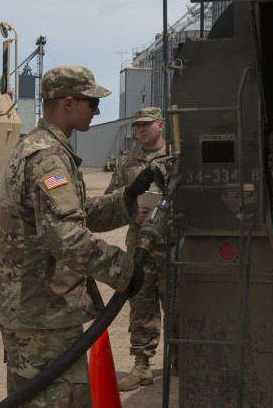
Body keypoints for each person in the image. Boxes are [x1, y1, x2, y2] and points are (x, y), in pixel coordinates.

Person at [0, 65, 154, 407]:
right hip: (41, 313)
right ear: (68, 102)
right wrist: (125, 271)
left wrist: (127, 196)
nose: (97, 111)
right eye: (91, 103)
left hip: (36, 310)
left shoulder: (44, 148)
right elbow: (65, 236)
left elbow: (77, 212)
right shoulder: (48, 157)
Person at [106, 107, 177, 391]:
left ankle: (182, 356)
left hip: (172, 243)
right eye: (137, 126)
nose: (141, 129)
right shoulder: (127, 163)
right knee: (141, 305)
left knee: (178, 303)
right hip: (140, 247)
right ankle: (142, 365)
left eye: (146, 124)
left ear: (161, 125)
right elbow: (112, 198)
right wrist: (130, 213)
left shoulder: (175, 157)